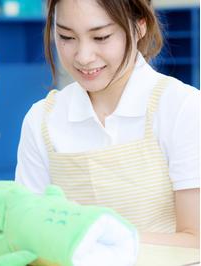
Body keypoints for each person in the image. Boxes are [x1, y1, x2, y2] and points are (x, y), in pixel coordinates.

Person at [15, 0, 199, 248]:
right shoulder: (41, 119)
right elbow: (28, 231)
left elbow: (195, 239)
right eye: (66, 37)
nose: (83, 56)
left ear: (139, 26)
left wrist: (98, 236)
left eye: (101, 37)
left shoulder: (182, 108)